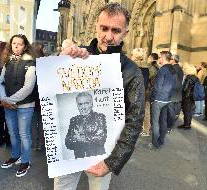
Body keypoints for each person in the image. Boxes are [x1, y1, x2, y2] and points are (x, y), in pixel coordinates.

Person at [54, 3, 145, 190]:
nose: (108, 36)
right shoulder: (77, 56)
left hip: (103, 157)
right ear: (96, 26)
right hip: (69, 158)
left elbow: (134, 120)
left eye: (116, 30)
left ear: (125, 33)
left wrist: (112, 162)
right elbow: (49, 93)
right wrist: (60, 63)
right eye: (104, 28)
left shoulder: (132, 72)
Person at [0, 34, 36, 177]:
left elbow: (28, 88)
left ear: (25, 46)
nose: (16, 46)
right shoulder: (8, 62)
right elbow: (1, 82)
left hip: (25, 106)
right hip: (9, 105)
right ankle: (15, 156)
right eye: (14, 43)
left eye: (19, 44)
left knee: (24, 134)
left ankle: (25, 162)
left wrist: (8, 100)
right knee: (12, 133)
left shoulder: (31, 63)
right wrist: (3, 98)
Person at [65, 92, 107, 159]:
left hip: (97, 159)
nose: (83, 107)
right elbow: (68, 143)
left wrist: (80, 138)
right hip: (80, 160)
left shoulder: (99, 117)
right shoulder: (73, 120)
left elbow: (101, 139)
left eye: (86, 103)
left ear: (91, 104)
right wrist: (92, 136)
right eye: (80, 104)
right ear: (77, 106)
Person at [149, 51, 176, 149]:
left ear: (163, 58)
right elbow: (174, 86)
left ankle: (155, 143)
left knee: (155, 122)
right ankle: (161, 141)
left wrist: (153, 99)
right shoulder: (173, 69)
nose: (159, 59)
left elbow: (157, 87)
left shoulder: (162, 70)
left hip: (158, 99)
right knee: (163, 121)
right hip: (167, 99)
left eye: (160, 57)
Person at [30, 42, 45, 151]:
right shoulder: (45, 63)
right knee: (41, 122)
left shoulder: (28, 63)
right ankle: (41, 144)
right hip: (42, 97)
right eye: (43, 49)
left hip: (31, 98)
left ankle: (34, 144)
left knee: (33, 122)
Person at [178, 64, 199, 130]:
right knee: (188, 111)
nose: (184, 70)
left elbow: (185, 88)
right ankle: (186, 124)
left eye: (186, 69)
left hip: (187, 97)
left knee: (187, 111)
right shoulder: (195, 77)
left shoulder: (189, 78)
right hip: (192, 96)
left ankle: (187, 125)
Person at [166, 54, 183, 132]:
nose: (169, 60)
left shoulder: (174, 69)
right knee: (174, 111)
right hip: (178, 93)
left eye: (171, 59)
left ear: (173, 60)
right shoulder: (179, 68)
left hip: (173, 93)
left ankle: (169, 127)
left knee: (171, 111)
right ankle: (170, 125)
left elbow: (172, 82)